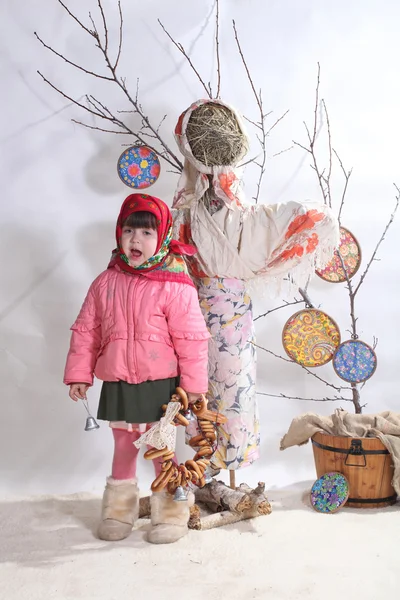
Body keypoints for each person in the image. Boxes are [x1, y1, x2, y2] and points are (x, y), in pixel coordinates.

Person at [64, 193, 210, 544]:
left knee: (162, 451)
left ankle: (171, 512)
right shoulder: (105, 282)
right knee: (124, 445)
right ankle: (119, 511)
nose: (135, 239)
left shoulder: (175, 284)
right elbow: (87, 330)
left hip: (162, 384)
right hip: (119, 380)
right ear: (119, 233)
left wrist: (193, 386)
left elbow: (191, 338)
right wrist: (80, 373)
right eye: (129, 230)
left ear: (160, 237)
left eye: (146, 233)